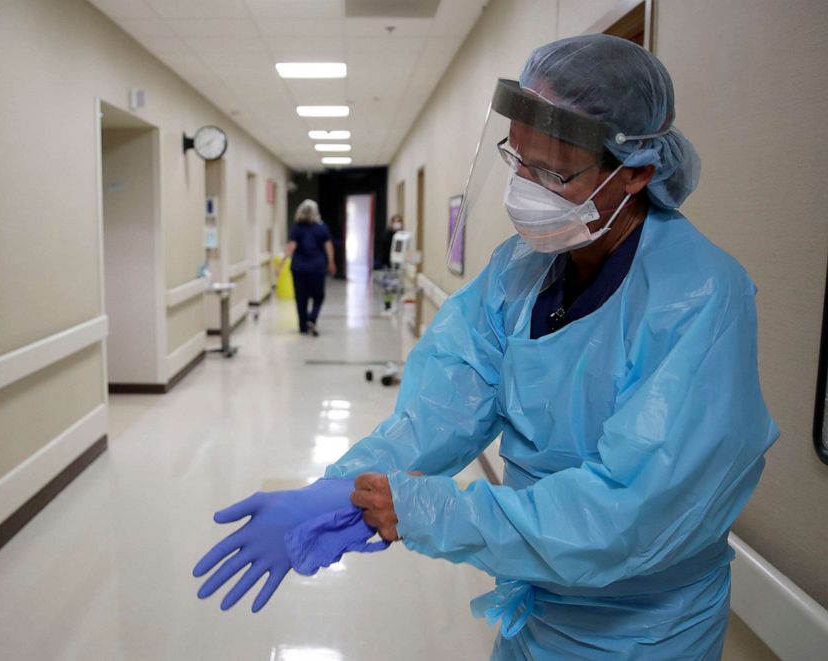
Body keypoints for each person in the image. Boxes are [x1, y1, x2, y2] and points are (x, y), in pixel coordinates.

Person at [195, 35, 778, 660]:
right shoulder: (520, 269)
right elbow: (446, 406)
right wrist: (342, 490)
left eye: (552, 171)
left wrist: (426, 511)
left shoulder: (699, 298)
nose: (525, 186)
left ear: (634, 171)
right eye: (519, 161)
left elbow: (625, 515)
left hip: (643, 631)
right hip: (533, 605)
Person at [281, 199, 335, 336]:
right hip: (317, 268)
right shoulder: (322, 227)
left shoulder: (297, 228)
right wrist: (331, 262)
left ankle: (302, 326)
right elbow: (328, 247)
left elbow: (291, 247)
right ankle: (312, 318)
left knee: (301, 298)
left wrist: (281, 263)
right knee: (319, 296)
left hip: (299, 268)